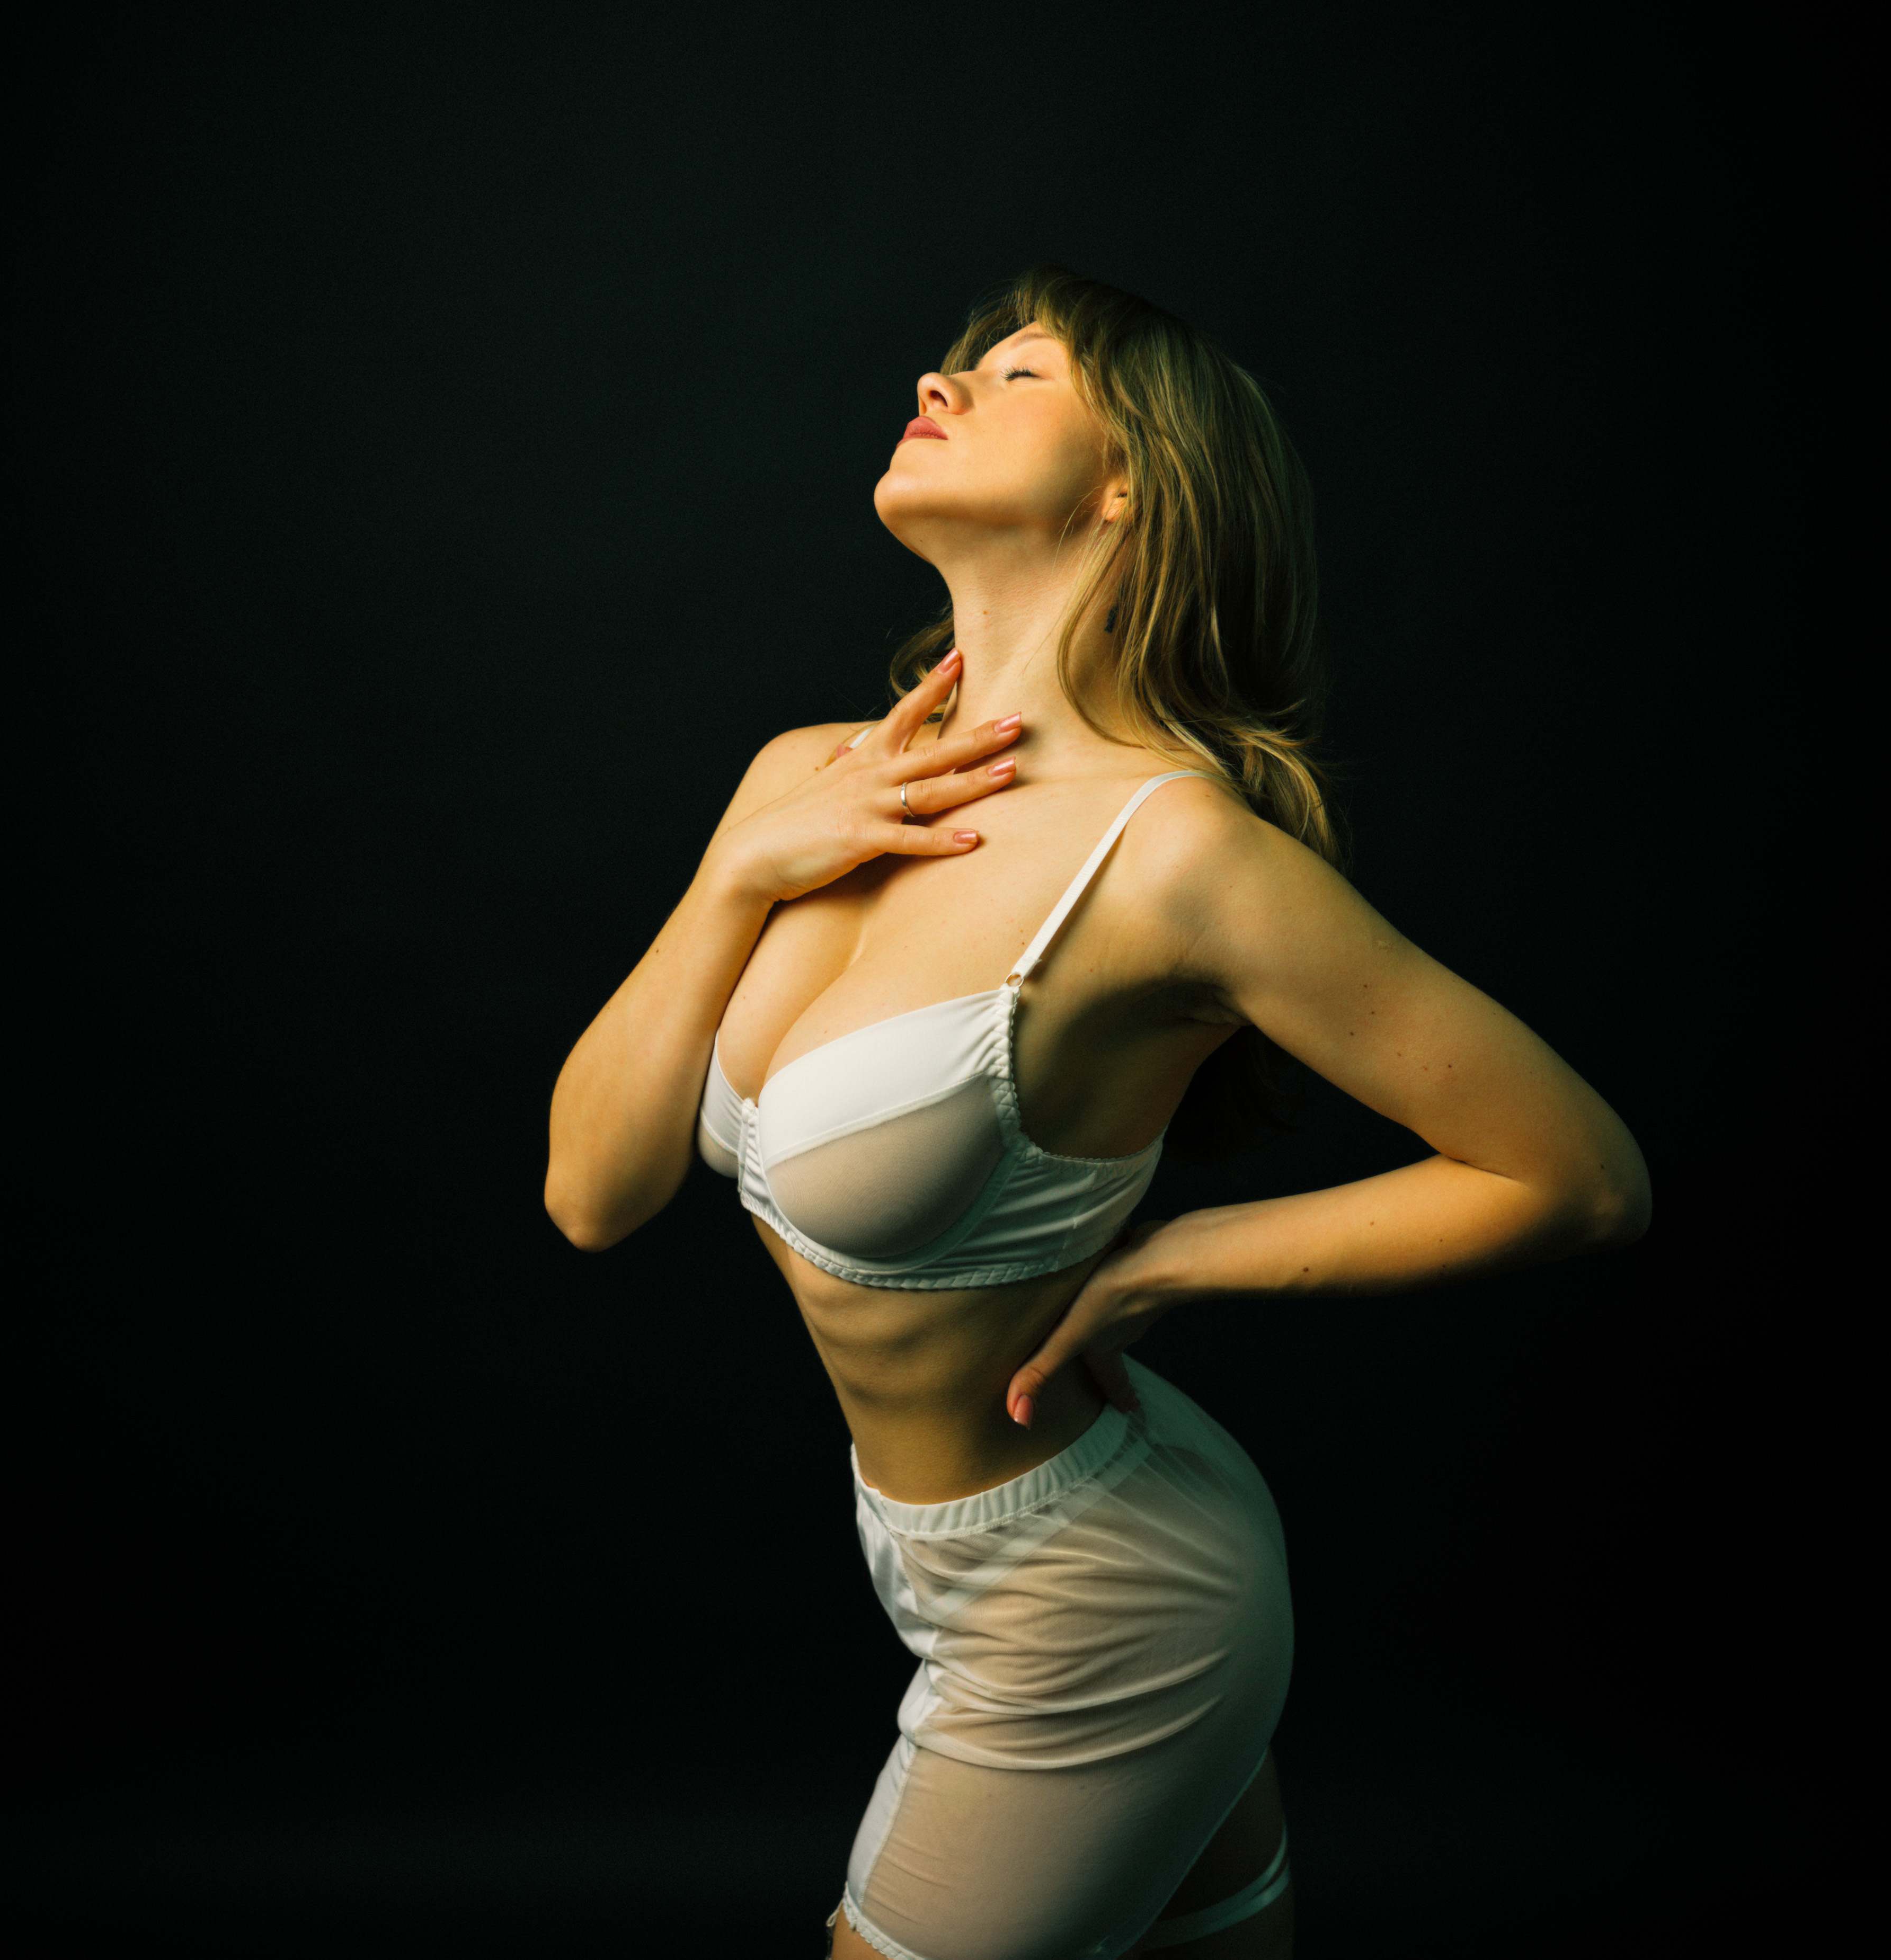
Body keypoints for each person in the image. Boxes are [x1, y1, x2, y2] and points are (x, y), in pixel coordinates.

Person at [545, 266, 1650, 1960]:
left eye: (1019, 373)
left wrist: (1173, 1263)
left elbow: (1579, 1173)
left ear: (1131, 481)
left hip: (1100, 1594)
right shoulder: (803, 779)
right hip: (935, 1555)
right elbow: (591, 1192)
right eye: (958, 364)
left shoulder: (1177, 855)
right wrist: (732, 878)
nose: (942, 381)